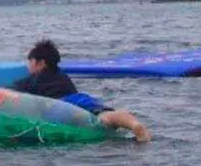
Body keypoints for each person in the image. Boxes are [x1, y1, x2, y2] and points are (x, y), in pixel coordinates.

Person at [11, 39, 152, 142]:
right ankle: (134, 125)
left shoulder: (33, 79)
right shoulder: (63, 76)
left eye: (30, 62)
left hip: (58, 106)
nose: (28, 66)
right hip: (79, 98)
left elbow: (13, 95)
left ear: (41, 63)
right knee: (105, 114)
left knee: (93, 121)